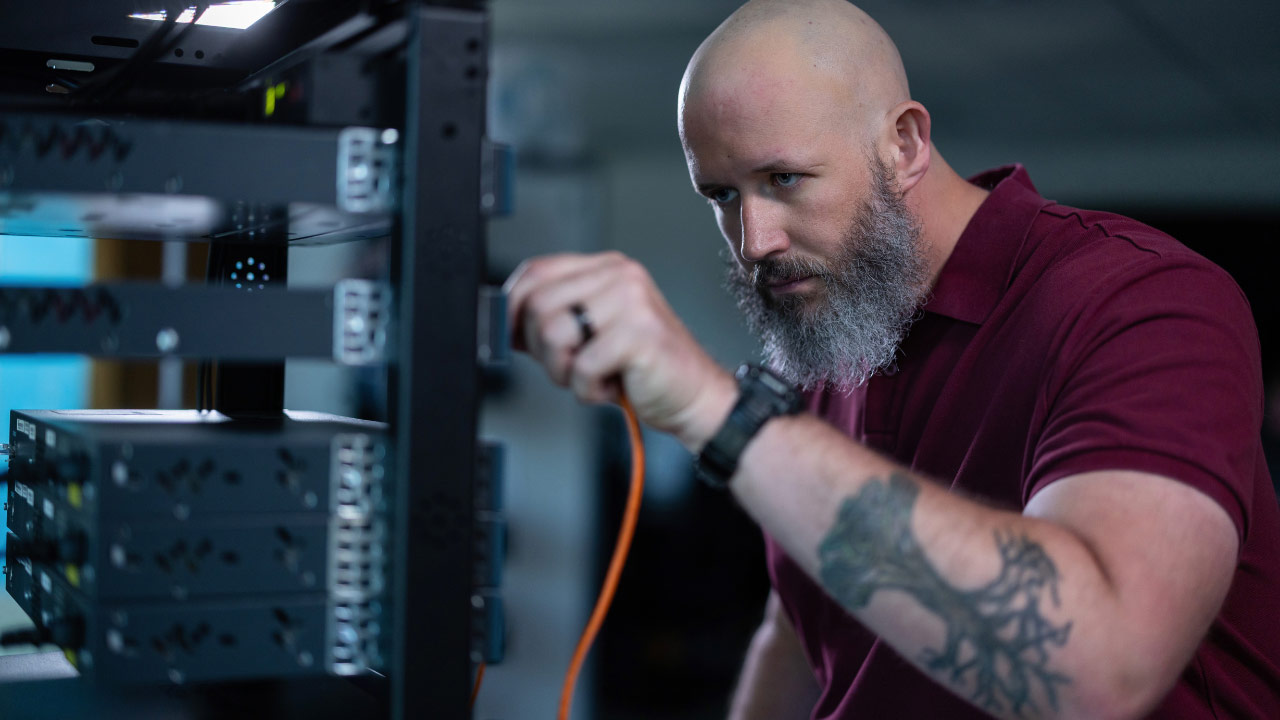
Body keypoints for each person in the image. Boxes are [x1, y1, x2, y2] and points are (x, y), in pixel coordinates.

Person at [504, 0, 1280, 717]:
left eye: (785, 179)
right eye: (724, 195)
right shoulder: (833, 334)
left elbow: (1105, 666)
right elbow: (804, 626)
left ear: (904, 144)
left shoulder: (1139, 301)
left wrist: (724, 417)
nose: (754, 242)